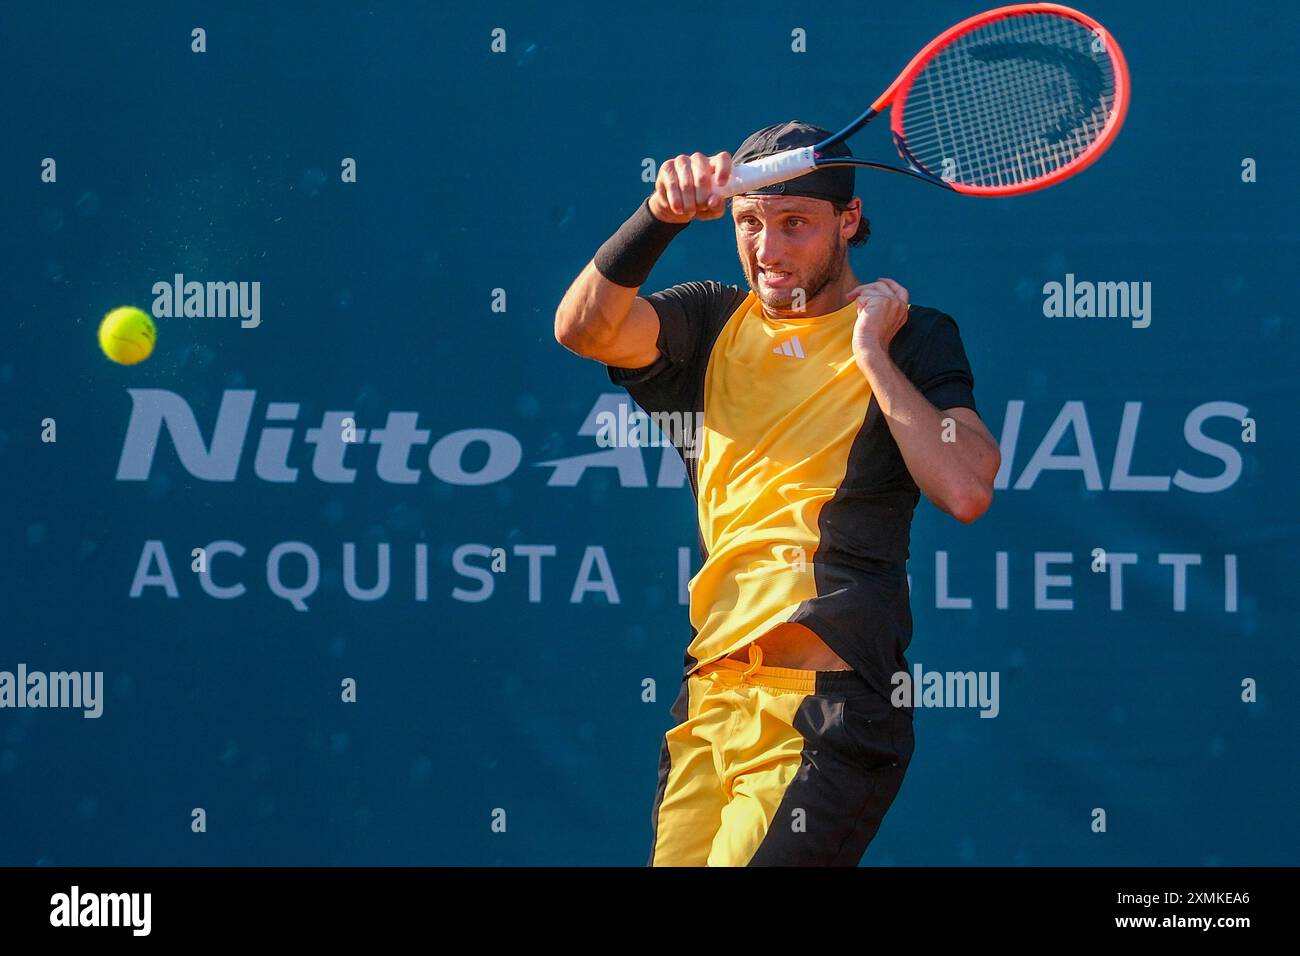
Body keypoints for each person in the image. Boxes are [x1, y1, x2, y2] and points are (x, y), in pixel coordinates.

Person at [554, 121, 1001, 866]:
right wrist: (659, 214)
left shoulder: (913, 336)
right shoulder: (709, 321)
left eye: (794, 224)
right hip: (708, 703)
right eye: (750, 223)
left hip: (825, 712)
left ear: (848, 223)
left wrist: (871, 357)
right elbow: (581, 328)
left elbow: (966, 487)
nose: (769, 250)